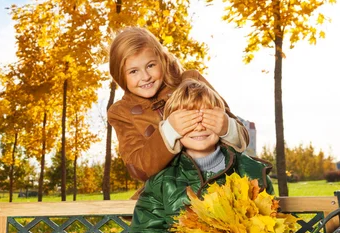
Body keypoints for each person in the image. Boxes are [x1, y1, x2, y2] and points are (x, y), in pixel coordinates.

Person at [110, 79, 282, 233]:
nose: (199, 127)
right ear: (173, 129)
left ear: (222, 123)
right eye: (188, 121)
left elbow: (268, 229)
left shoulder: (250, 173)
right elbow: (145, 232)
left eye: (207, 118)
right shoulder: (162, 178)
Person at [107, 26, 250, 184]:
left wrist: (227, 127)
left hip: (218, 176)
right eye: (133, 71)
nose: (145, 76)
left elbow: (243, 137)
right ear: (120, 75)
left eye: (150, 66)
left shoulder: (191, 80)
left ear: (162, 60)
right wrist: (170, 131)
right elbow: (139, 169)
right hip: (167, 191)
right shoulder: (121, 112)